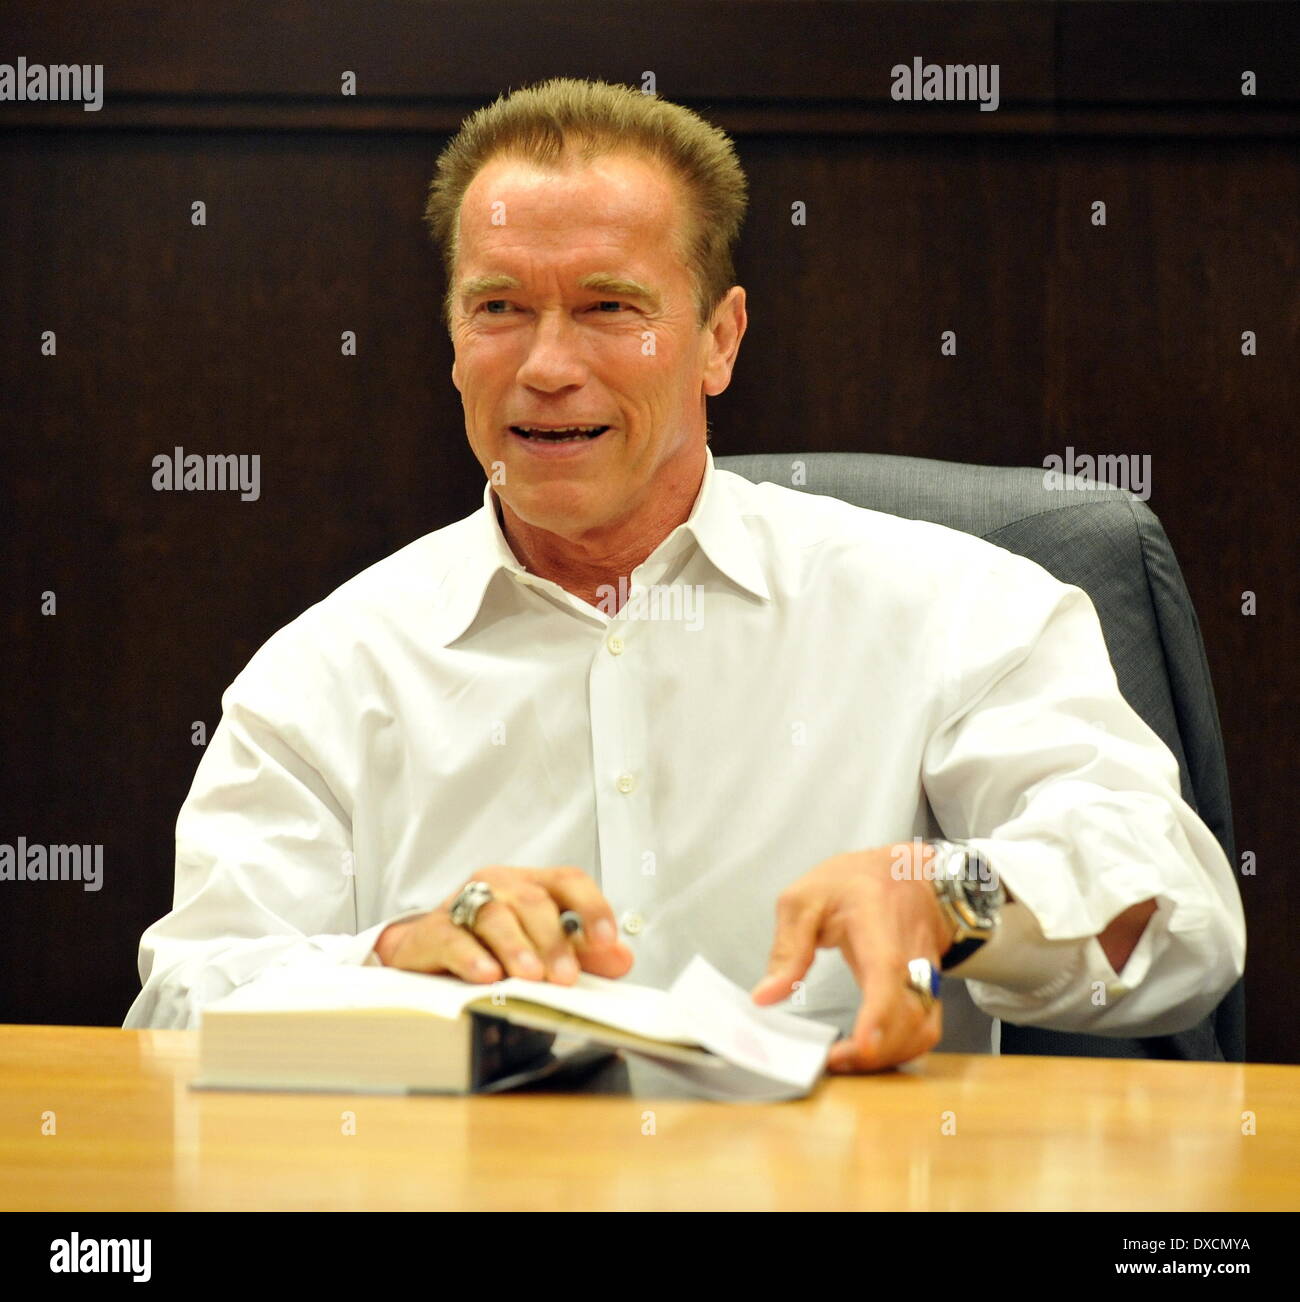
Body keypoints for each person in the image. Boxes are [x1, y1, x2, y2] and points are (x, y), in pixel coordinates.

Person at [125, 78, 1245, 1072]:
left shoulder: (948, 605)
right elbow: (177, 1010)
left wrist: (948, 897)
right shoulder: (327, 669)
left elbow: (1184, 920)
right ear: (453, 339)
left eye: (609, 307)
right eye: (499, 307)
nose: (546, 366)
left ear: (719, 339)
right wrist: (387, 954)